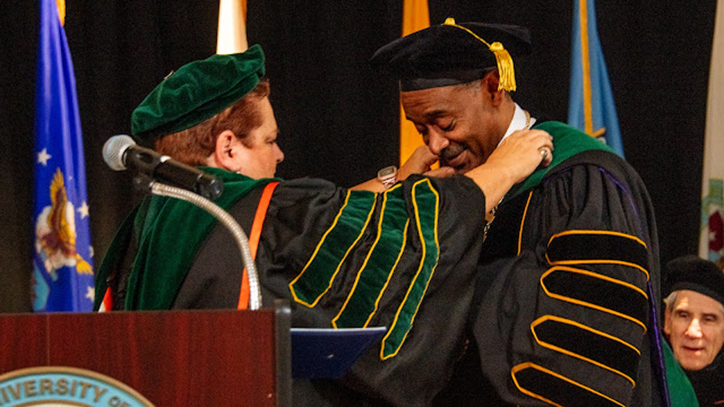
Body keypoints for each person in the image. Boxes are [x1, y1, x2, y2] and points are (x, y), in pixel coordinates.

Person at [94, 44, 553, 405]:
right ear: (228, 148)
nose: (280, 156)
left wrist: (397, 177)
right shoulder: (254, 211)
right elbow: (387, 228)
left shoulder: (153, 220)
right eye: (270, 140)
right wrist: (505, 169)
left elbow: (324, 217)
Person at [369, 18, 666, 406]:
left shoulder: (579, 180)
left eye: (445, 123)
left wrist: (451, 291)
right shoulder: (451, 191)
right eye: (421, 129)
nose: (435, 144)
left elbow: (584, 343)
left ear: (493, 87)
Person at [663, 255, 724, 406]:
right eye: (683, 315)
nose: (693, 332)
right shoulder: (643, 380)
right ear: (667, 320)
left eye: (708, 319)